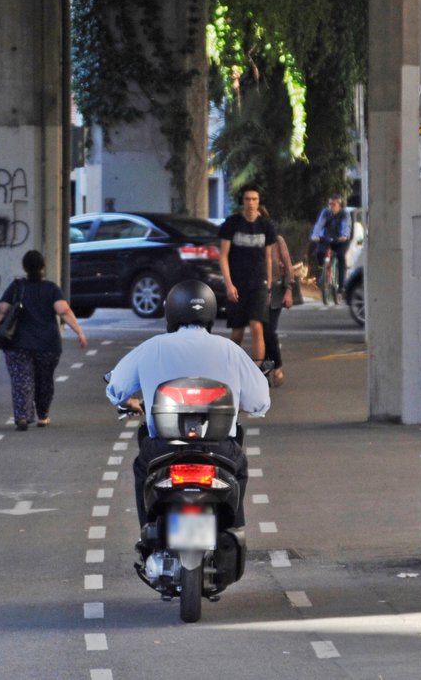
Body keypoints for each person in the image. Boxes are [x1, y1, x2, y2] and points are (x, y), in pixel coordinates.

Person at [104, 279, 270, 537]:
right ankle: (233, 529)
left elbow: (117, 388)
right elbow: (260, 401)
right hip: (220, 449)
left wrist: (127, 402)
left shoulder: (152, 347)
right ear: (211, 312)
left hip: (162, 448)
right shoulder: (229, 350)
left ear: (171, 312)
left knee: (142, 469)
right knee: (239, 469)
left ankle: (148, 530)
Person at [0, 249, 87, 431]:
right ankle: (43, 415)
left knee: (21, 381)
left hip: (17, 343)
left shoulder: (17, 287)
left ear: (25, 267)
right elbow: (64, 311)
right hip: (47, 345)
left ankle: (22, 416)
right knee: (44, 381)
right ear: (43, 267)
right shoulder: (51, 289)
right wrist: (79, 331)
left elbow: (2, 311)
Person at [217, 183, 277, 364]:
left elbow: (268, 258)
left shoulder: (266, 226)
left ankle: (258, 370)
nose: (251, 203)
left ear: (259, 202)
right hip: (237, 283)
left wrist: (268, 285)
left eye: (254, 199)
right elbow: (223, 256)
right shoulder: (232, 223)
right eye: (247, 199)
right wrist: (229, 284)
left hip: (258, 283)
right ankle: (232, 366)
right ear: (242, 201)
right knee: (237, 332)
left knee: (257, 326)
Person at [260, 207, 297, 388]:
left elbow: (289, 267)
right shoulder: (249, 242)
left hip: (275, 291)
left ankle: (277, 367)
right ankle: (265, 370)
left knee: (269, 331)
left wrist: (289, 290)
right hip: (256, 291)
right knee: (260, 333)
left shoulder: (277, 240)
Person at [310, 193, 350, 297]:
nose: (331, 206)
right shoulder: (325, 212)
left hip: (340, 240)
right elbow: (319, 224)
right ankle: (323, 271)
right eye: (329, 204)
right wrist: (315, 235)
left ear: (339, 205)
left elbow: (345, 226)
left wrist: (344, 235)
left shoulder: (344, 214)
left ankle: (341, 286)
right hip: (327, 238)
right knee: (319, 252)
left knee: (341, 256)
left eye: (334, 204)